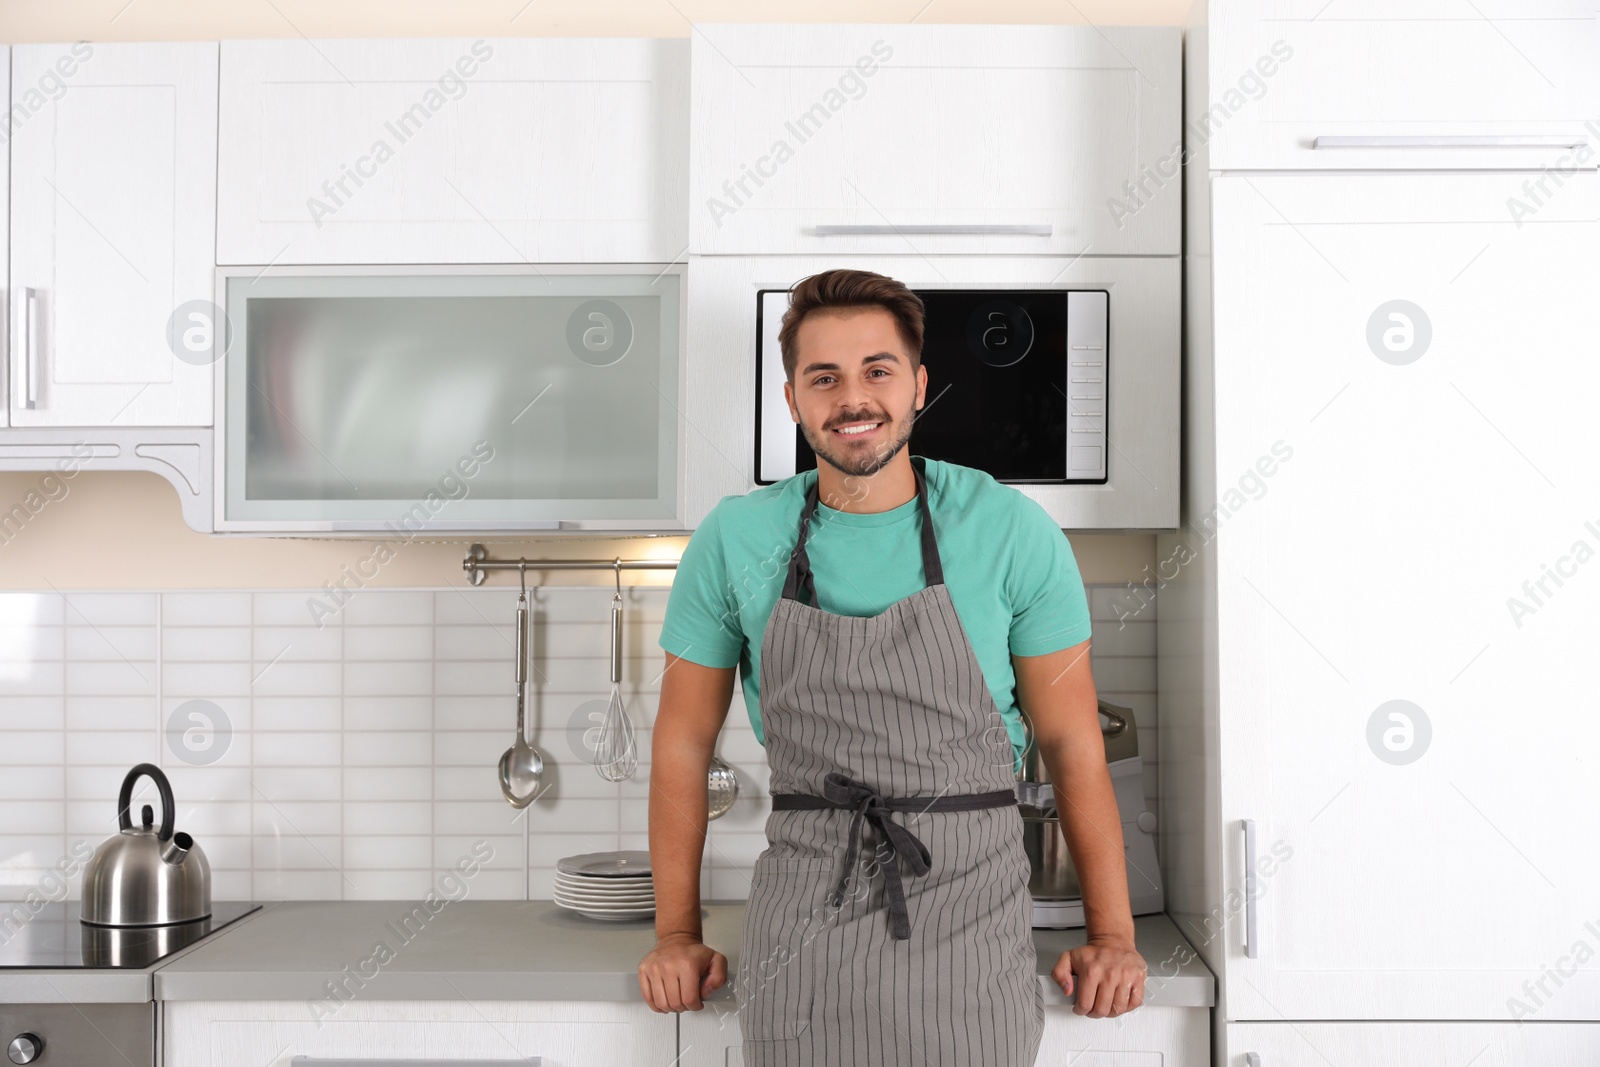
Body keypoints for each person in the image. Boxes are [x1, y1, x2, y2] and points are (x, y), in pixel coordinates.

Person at [637, 268, 1147, 1065]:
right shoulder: (734, 540)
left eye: (878, 370)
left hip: (972, 927)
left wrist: (1112, 934)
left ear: (918, 386)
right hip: (802, 930)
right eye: (824, 377)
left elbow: (1075, 741)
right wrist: (676, 933)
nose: (854, 398)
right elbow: (680, 745)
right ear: (793, 399)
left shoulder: (1012, 532)